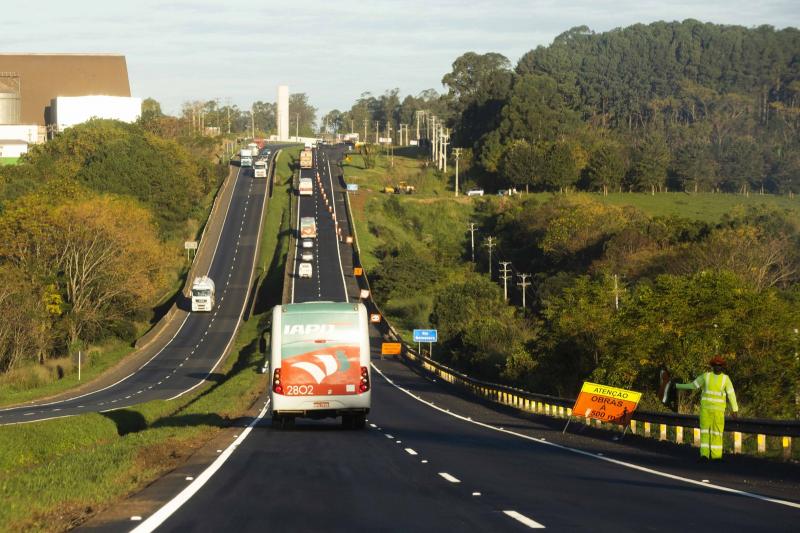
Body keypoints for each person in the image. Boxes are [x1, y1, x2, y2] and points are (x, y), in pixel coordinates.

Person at [675, 355, 739, 461]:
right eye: (716, 365)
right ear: (712, 366)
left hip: (718, 412)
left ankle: (716, 456)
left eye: (719, 365)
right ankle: (704, 455)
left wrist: (735, 409)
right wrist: (677, 386)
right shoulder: (706, 376)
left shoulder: (725, 379)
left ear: (722, 367)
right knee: (705, 433)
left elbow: (731, 394)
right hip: (706, 411)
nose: (718, 367)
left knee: (717, 434)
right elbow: (693, 385)